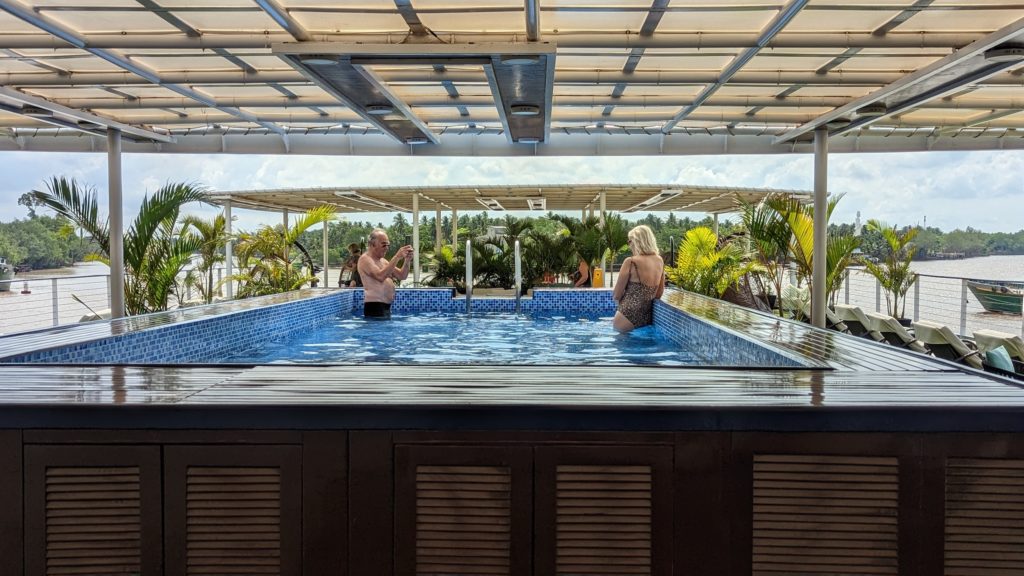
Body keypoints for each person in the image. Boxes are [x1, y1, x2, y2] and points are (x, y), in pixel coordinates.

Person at [612, 225, 665, 333]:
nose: (629, 245)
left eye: (629, 241)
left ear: (637, 242)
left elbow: (616, 295)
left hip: (626, 315)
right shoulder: (659, 261)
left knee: (622, 347)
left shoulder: (631, 261)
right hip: (646, 317)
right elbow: (659, 294)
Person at [357, 229, 413, 319]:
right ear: (372, 244)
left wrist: (407, 261)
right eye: (384, 244)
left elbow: (402, 275)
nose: (387, 248)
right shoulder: (365, 259)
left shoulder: (384, 261)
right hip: (374, 306)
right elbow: (380, 276)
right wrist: (397, 256)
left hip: (385, 307)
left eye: (388, 245)